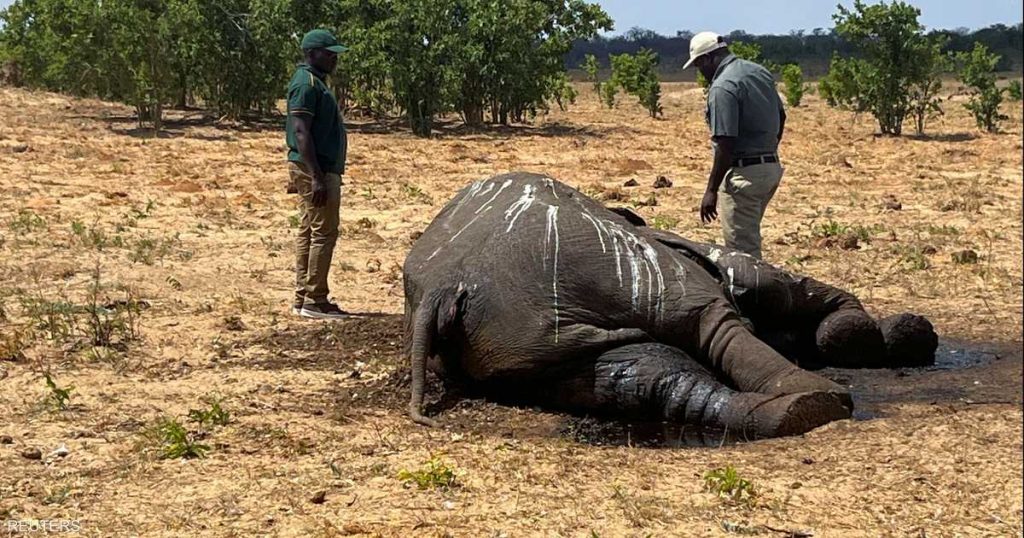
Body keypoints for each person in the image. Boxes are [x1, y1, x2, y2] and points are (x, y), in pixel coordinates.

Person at [684, 31, 786, 260]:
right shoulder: (759, 72)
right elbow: (781, 116)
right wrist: (766, 150)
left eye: (699, 65)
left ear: (708, 58)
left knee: (743, 254)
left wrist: (711, 190)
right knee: (749, 237)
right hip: (770, 169)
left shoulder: (722, 87)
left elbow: (725, 143)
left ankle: (756, 285)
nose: (700, 71)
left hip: (744, 177)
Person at [286, 29, 350, 319]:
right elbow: (300, 131)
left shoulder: (316, 82)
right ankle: (315, 300)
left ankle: (304, 298)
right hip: (317, 169)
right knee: (324, 232)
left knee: (309, 231)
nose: (334, 58)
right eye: (329, 53)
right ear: (312, 54)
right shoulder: (306, 84)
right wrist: (315, 176)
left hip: (316, 168)